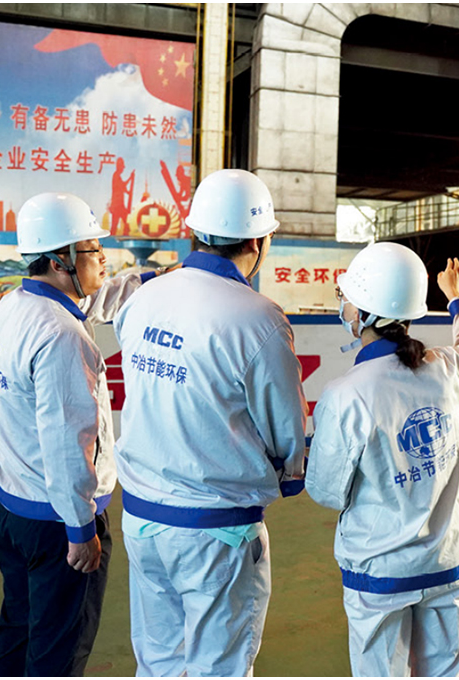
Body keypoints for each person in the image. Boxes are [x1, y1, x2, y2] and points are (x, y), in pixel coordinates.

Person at [113, 168, 308, 677]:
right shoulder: (258, 317)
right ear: (258, 242)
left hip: (142, 519)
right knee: (218, 667)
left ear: (196, 230)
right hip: (216, 531)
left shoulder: (144, 298)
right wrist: (291, 472)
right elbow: (285, 428)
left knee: (159, 663)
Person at [0, 192, 161, 676]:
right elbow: (69, 443)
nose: (103, 257)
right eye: (92, 249)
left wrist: (153, 279)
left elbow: (90, 301)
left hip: (13, 509)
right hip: (58, 523)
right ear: (60, 259)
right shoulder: (63, 336)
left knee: (16, 630)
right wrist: (81, 530)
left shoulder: (15, 305)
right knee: (58, 652)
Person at [306, 244, 459, 677]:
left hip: (380, 575)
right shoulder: (445, 369)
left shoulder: (346, 395)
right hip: (446, 565)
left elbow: (327, 491)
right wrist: (455, 297)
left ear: (364, 314)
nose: (343, 304)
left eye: (346, 297)